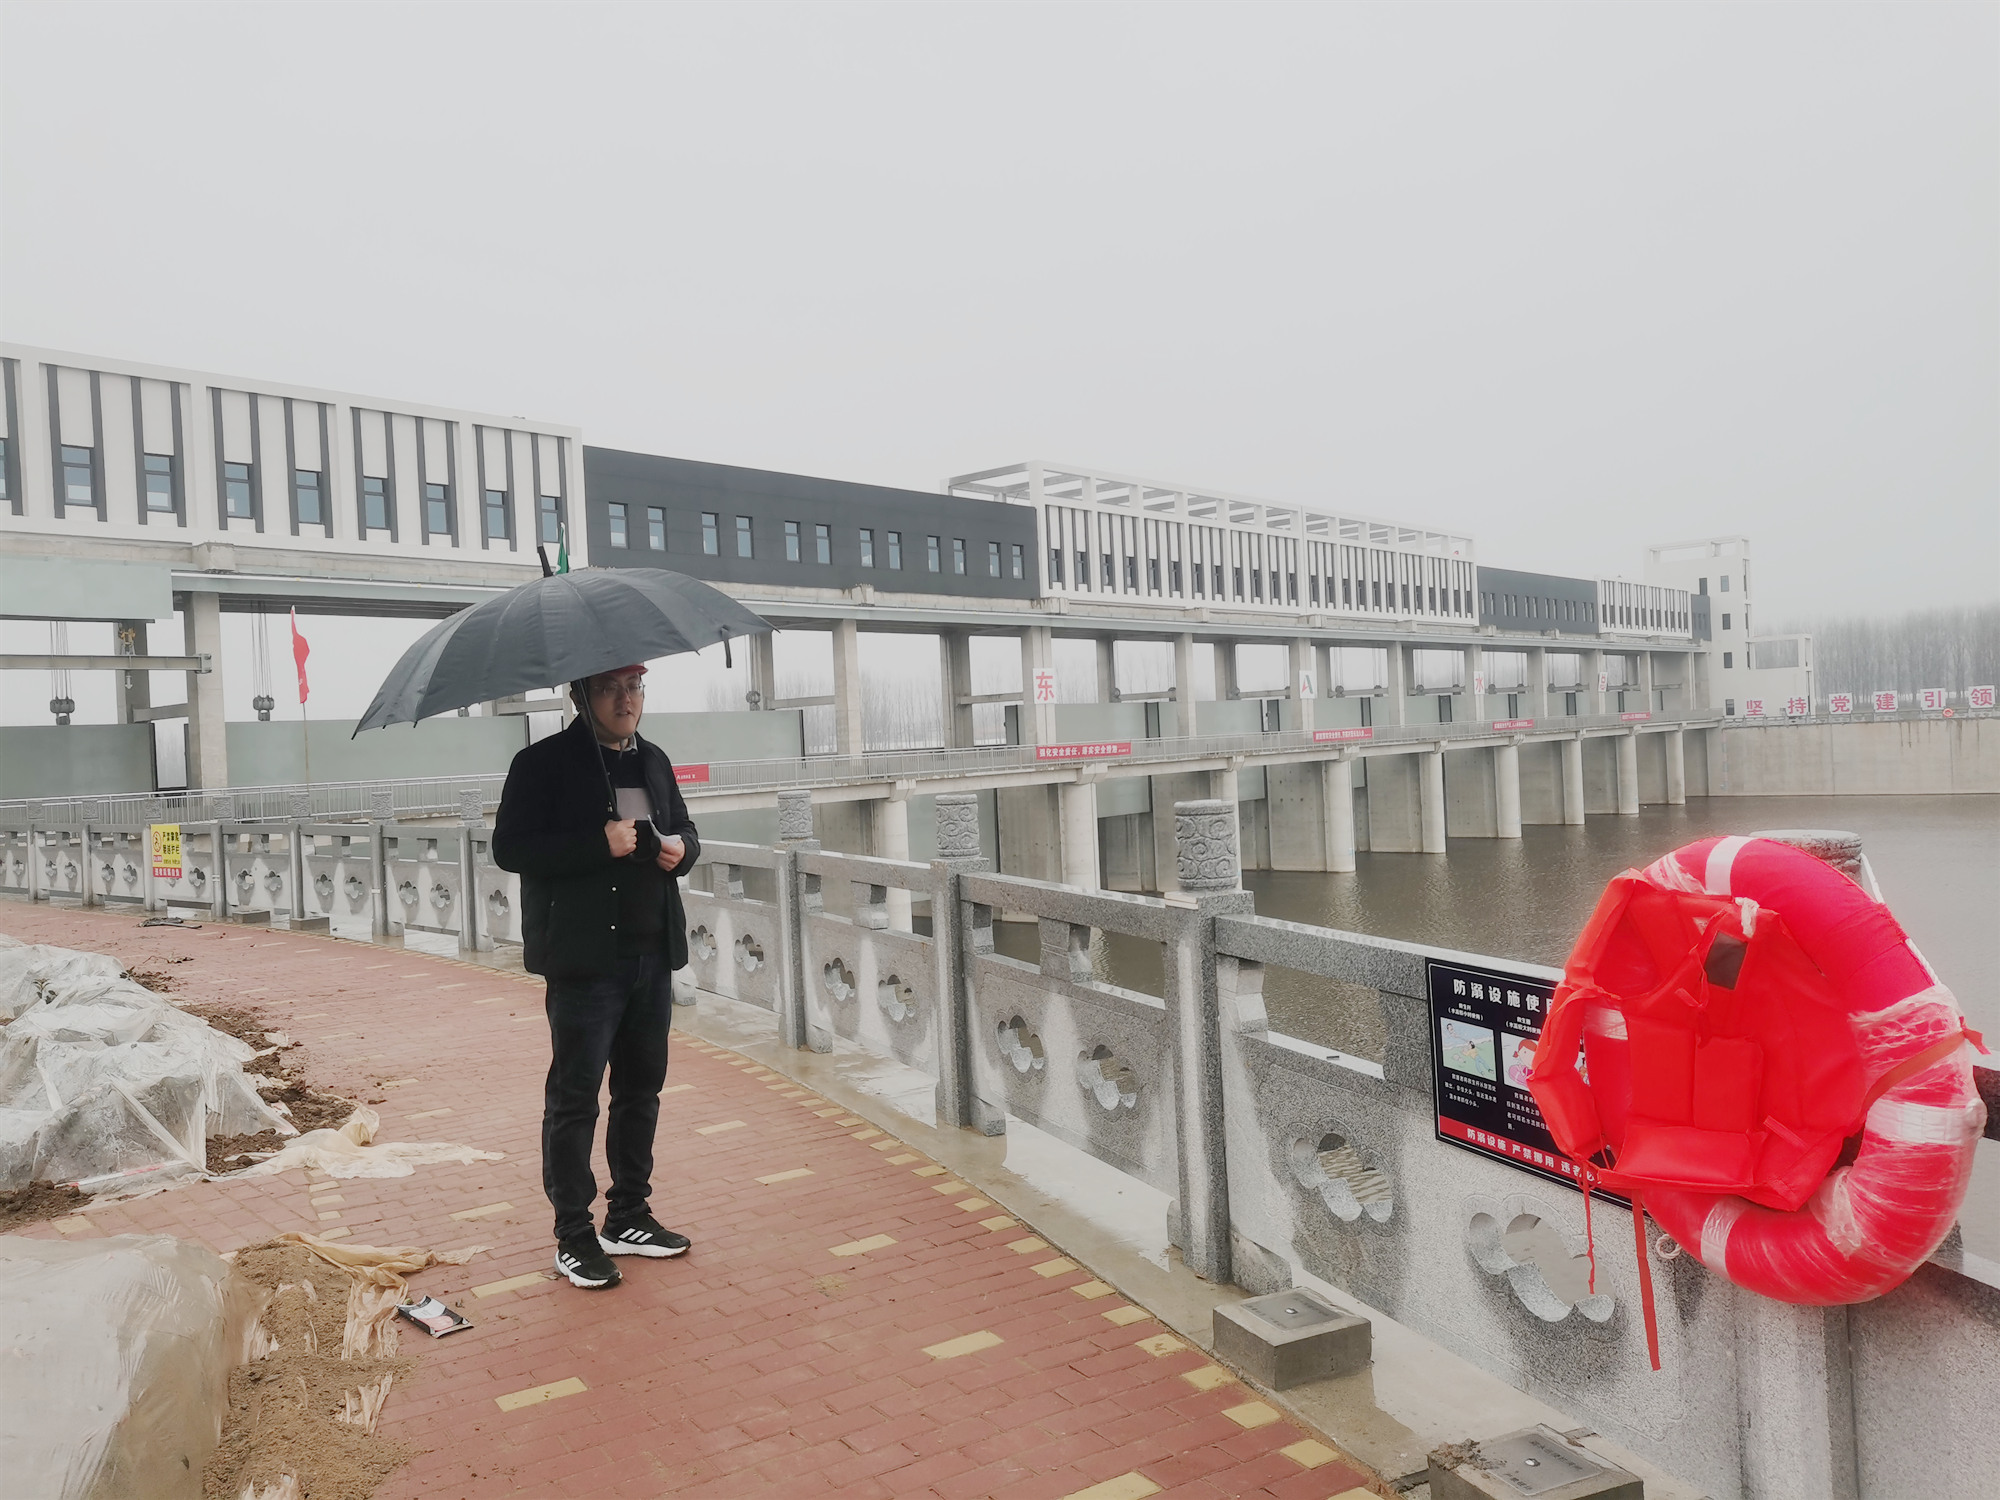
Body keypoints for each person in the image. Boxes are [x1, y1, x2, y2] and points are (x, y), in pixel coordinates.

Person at [493, 663, 701, 1289]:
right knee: (575, 1098)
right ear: (579, 695)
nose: (625, 699)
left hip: (650, 954)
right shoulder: (541, 764)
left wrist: (681, 851)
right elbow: (511, 848)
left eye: (634, 687)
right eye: (610, 688)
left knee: (641, 1091)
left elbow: (686, 830)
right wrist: (596, 843)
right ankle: (574, 1234)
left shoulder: (653, 761)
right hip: (584, 962)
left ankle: (629, 1215)